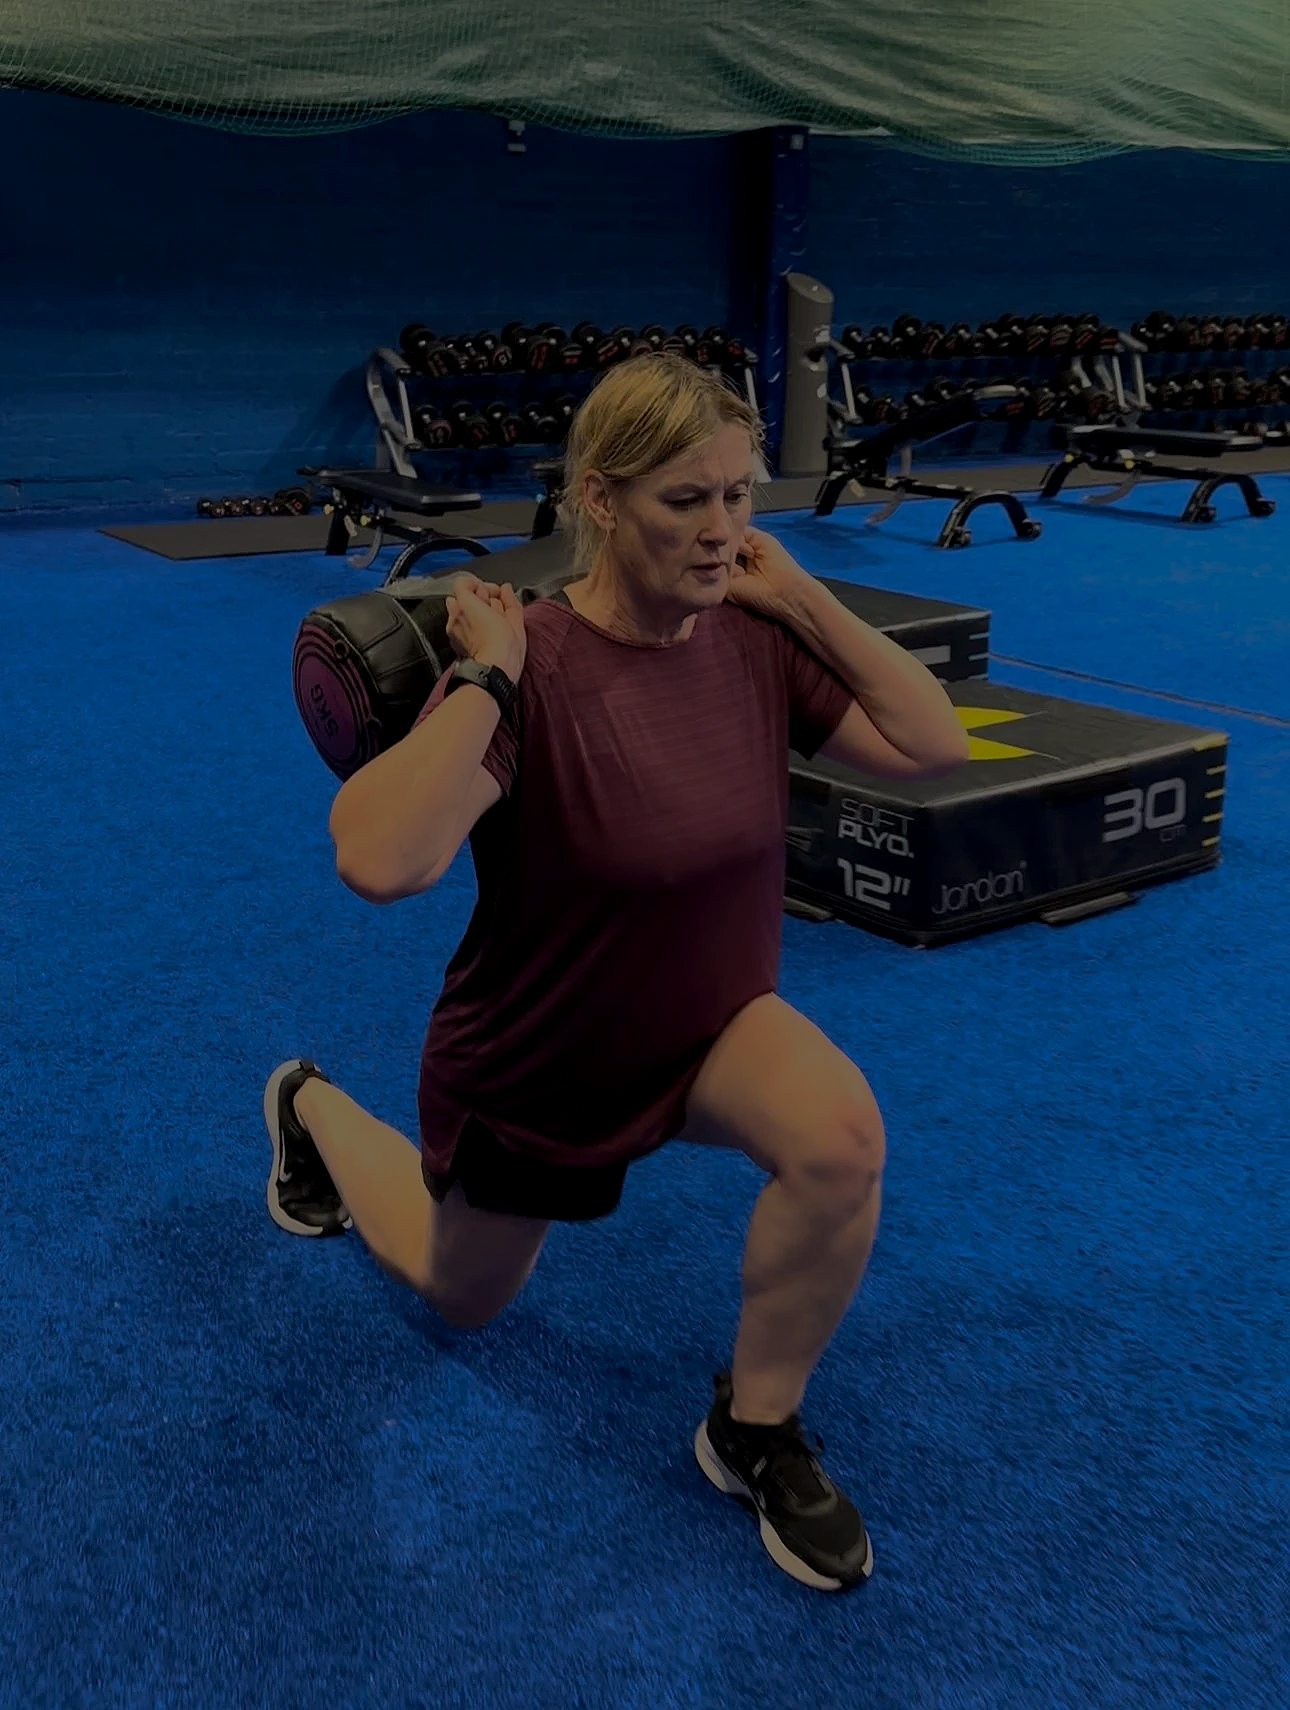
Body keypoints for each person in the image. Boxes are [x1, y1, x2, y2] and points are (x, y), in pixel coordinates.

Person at [263, 352, 969, 1592]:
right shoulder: (527, 663)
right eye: (685, 501)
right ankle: (311, 1106)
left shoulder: (751, 635)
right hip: (545, 1056)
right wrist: (483, 673)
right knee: (460, 1293)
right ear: (599, 496)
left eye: (739, 496)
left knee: (843, 1137)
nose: (722, 531)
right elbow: (379, 861)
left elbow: (932, 744)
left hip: (709, 1023)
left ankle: (752, 1426)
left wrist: (799, 595)